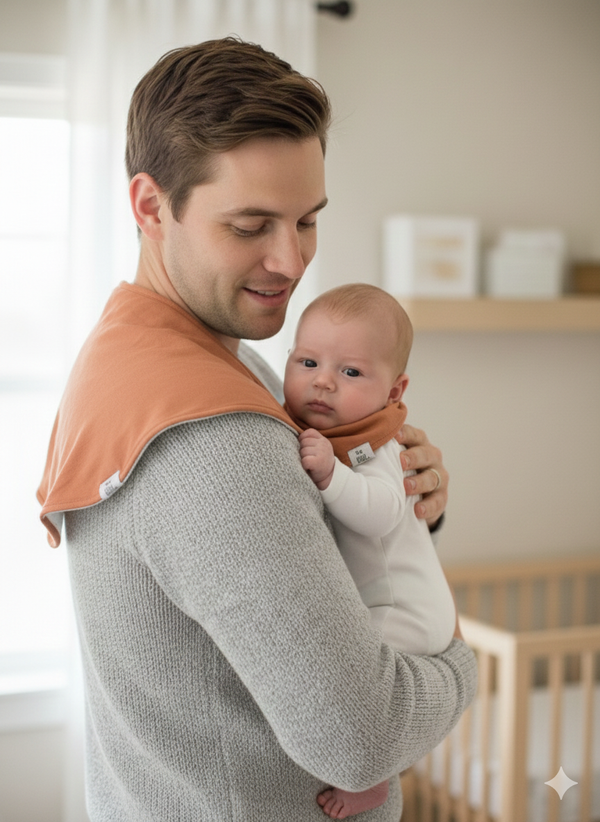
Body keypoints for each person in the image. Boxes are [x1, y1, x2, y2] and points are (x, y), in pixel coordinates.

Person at [37, 38, 476, 822]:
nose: (291, 260)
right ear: (149, 205)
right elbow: (363, 739)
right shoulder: (212, 437)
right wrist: (464, 664)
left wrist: (405, 519)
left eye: (308, 220)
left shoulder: (151, 354)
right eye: (251, 225)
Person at [283, 283, 457, 819]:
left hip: (405, 609)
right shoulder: (324, 431)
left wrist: (331, 475)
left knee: (352, 681)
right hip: (388, 601)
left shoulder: (375, 444)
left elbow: (381, 509)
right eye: (307, 361)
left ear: (394, 388)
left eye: (351, 372)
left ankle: (370, 782)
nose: (323, 381)